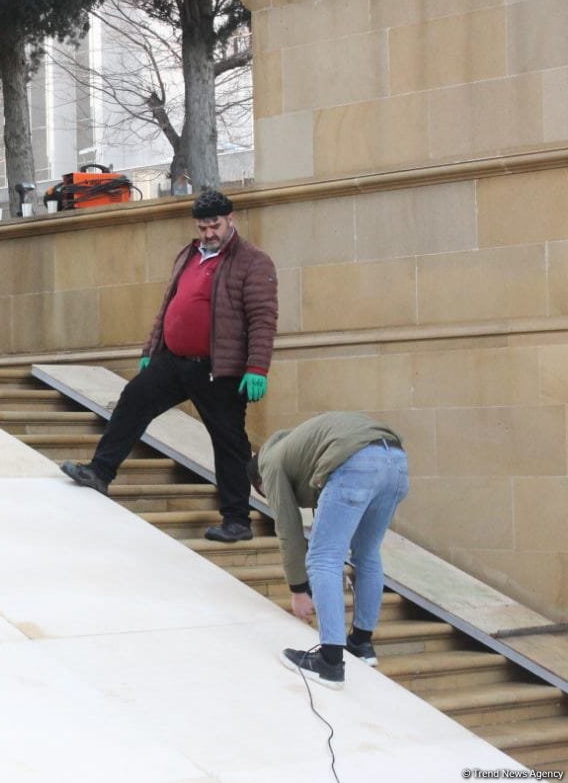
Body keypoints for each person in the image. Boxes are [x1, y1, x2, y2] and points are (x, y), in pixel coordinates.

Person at [60, 189, 278, 543]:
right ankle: (100, 471)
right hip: (173, 360)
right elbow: (169, 306)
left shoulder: (252, 262)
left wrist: (257, 368)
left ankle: (237, 520)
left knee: (229, 442)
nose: (209, 233)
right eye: (203, 226)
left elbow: (263, 320)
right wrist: (151, 348)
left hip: (218, 369)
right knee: (133, 400)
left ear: (231, 221)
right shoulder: (189, 254)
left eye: (215, 225)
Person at [252, 412, 410, 690]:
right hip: (395, 461)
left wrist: (299, 589)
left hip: (356, 461)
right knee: (367, 553)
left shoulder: (270, 464)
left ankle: (330, 661)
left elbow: (288, 530)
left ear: (259, 484)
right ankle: (361, 644)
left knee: (324, 558)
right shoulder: (298, 447)